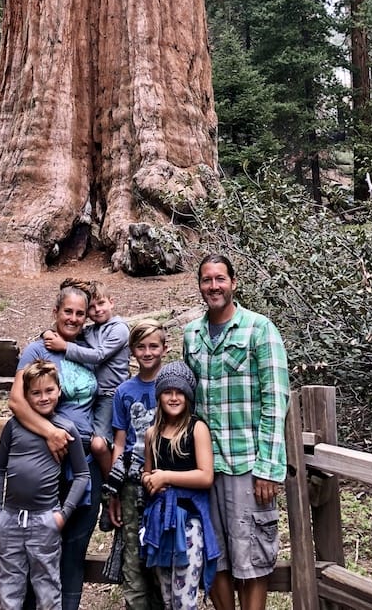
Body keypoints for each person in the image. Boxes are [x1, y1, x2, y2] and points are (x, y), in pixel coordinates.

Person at [183, 255, 290, 610]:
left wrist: (268, 468)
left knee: (251, 555)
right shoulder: (192, 334)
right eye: (207, 280)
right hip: (203, 467)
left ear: (233, 282)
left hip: (246, 464)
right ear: (200, 285)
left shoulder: (259, 329)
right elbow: (188, 400)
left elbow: (275, 399)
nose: (213, 286)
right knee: (214, 554)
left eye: (220, 279)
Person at [8, 279, 101, 610]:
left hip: (86, 463)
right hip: (47, 461)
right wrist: (50, 432)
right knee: (40, 548)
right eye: (67, 312)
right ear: (55, 312)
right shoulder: (38, 350)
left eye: (80, 313)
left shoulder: (87, 350)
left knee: (75, 547)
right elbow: (17, 401)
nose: (73, 318)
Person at [0, 360, 89, 610]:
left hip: (45, 520)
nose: (44, 398)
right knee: (9, 585)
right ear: (26, 395)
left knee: (47, 587)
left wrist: (62, 515)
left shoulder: (66, 429)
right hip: (11, 519)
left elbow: (82, 475)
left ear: (59, 391)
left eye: (49, 390)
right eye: (36, 392)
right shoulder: (13, 427)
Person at [141, 360, 220, 610]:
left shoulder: (197, 429)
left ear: (188, 396)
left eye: (180, 392)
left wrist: (166, 477)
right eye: (168, 392)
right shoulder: (152, 433)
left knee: (184, 600)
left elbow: (205, 476)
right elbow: (147, 472)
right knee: (167, 599)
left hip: (188, 524)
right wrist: (148, 479)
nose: (174, 398)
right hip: (160, 522)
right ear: (159, 396)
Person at [104, 318, 168, 610]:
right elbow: (119, 442)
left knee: (162, 549)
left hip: (166, 480)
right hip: (131, 479)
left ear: (164, 348)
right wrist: (113, 491)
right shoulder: (124, 392)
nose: (147, 352)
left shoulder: (173, 387)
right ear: (132, 351)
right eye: (140, 347)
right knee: (133, 552)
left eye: (153, 346)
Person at [43, 279, 129, 478]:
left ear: (112, 302)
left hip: (110, 394)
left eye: (102, 303)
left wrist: (65, 347)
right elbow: (67, 330)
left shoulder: (119, 329)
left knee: (98, 444)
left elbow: (99, 355)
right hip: (93, 394)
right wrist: (48, 333)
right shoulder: (91, 331)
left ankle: (111, 483)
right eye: (92, 307)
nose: (97, 310)